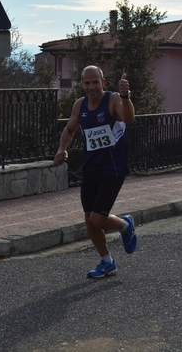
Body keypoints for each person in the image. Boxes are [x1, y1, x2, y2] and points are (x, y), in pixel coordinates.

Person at [53, 65, 137, 278]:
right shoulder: (79, 105)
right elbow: (70, 129)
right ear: (81, 84)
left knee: (98, 219)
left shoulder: (114, 100)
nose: (91, 87)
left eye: (95, 82)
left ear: (103, 82)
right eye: (87, 83)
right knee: (89, 218)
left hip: (113, 167)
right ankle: (107, 262)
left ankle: (125, 225)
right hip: (91, 167)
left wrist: (126, 96)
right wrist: (62, 149)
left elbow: (128, 119)